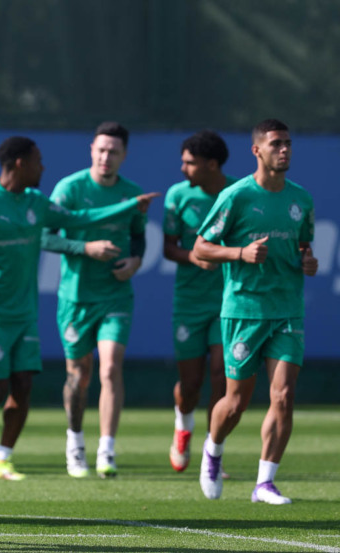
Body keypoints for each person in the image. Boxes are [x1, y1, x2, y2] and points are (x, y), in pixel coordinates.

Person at [0, 137, 157, 482]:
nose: (43, 168)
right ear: (20, 164)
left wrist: (128, 207)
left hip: (25, 313)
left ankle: (2, 460)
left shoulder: (37, 201)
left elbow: (80, 218)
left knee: (23, 386)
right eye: (38, 161)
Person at [194, 119, 317, 505]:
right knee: (236, 403)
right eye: (277, 143)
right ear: (257, 150)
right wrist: (240, 253)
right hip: (244, 310)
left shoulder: (302, 199)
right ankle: (213, 449)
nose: (285, 150)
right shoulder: (236, 196)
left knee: (283, 395)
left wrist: (307, 260)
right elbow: (200, 248)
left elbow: (302, 247)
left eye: (288, 143)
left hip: (287, 309)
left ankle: (264, 482)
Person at [42, 121, 146, 478]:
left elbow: (138, 239)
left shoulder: (131, 195)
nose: (106, 157)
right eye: (101, 150)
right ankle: (75, 444)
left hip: (115, 296)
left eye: (113, 151)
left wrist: (135, 261)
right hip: (75, 298)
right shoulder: (69, 189)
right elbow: (45, 237)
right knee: (79, 375)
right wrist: (85, 247)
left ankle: (107, 450)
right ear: (91, 150)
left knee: (110, 367)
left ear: (124, 155)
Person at [163, 130, 233, 472]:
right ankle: (184, 425)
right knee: (190, 384)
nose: (183, 168)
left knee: (221, 376)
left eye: (189, 163)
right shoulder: (178, 196)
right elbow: (168, 247)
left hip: (228, 301)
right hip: (189, 301)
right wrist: (194, 257)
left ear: (212, 164)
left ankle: (212, 451)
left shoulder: (237, 194)